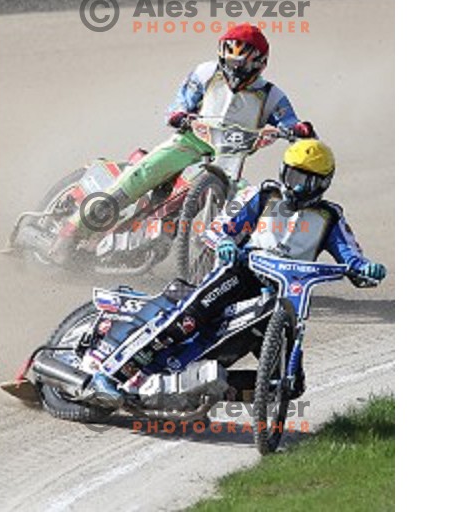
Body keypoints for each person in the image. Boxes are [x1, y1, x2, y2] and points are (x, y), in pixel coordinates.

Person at [91, 139, 387, 398]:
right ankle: (112, 373)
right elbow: (221, 227)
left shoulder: (329, 217)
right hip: (241, 273)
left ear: (322, 183)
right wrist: (224, 243)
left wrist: (365, 269)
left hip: (284, 294)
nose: (295, 185)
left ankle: (205, 389)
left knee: (288, 384)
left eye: (305, 180)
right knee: (187, 320)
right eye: (292, 174)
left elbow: (350, 255)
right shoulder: (263, 195)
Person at [49, 22, 314, 263]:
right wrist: (178, 115)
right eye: (228, 61)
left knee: (247, 203)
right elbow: (180, 103)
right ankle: (71, 232)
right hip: (189, 142)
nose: (233, 70)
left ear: (259, 63)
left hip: (230, 159)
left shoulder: (270, 95)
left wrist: (298, 129)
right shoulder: (205, 73)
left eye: (241, 65)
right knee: (141, 174)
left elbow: (288, 121)